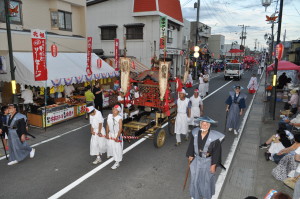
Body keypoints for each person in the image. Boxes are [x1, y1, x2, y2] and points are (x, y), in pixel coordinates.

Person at [186, 116, 225, 199]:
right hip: (197, 159)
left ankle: (206, 195)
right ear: (200, 124)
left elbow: (217, 152)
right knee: (195, 178)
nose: (205, 125)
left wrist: (213, 165)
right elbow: (191, 145)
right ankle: (195, 195)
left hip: (208, 161)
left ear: (210, 125)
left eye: (207, 124)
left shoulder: (214, 137)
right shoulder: (195, 133)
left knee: (206, 180)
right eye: (203, 123)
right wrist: (190, 154)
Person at [106, 105, 123, 169]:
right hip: (111, 134)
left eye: (115, 110)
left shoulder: (119, 118)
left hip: (117, 134)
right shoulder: (109, 116)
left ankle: (117, 162)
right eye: (113, 109)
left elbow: (120, 129)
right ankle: (113, 156)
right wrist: (107, 133)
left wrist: (117, 137)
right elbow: (107, 124)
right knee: (110, 145)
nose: (113, 111)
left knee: (117, 148)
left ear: (118, 111)